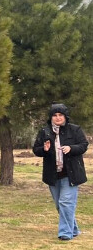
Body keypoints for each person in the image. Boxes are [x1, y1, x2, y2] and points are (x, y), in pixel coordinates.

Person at [33, 103, 87, 241]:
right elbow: (36, 150)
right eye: (55, 115)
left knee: (65, 203)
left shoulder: (75, 129)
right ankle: (74, 229)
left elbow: (83, 145)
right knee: (59, 205)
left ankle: (65, 233)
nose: (58, 118)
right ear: (51, 117)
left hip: (71, 174)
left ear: (65, 116)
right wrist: (44, 149)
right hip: (52, 175)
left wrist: (71, 148)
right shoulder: (45, 131)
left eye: (60, 115)